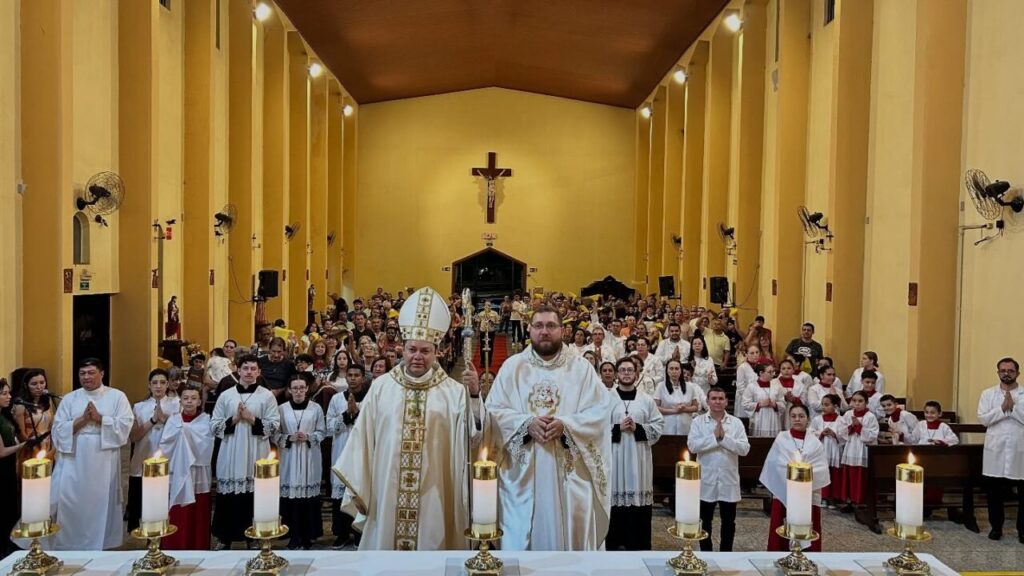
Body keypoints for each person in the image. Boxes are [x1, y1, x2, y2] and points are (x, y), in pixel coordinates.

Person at [333, 287, 483, 551]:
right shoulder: (381, 388)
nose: (417, 356)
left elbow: (473, 439)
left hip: (436, 490)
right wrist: (359, 485)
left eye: (425, 351)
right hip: (386, 489)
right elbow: (362, 439)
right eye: (412, 349)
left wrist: (473, 396)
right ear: (402, 349)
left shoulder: (453, 392)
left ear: (437, 352)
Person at [486, 305, 612, 551]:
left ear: (562, 330)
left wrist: (566, 426)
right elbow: (494, 411)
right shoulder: (513, 367)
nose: (545, 331)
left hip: (570, 474)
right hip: (520, 476)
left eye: (551, 326)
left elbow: (600, 412)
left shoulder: (581, 369)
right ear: (530, 330)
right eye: (539, 326)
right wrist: (525, 423)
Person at [50, 358, 134, 550]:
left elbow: (125, 425)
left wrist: (100, 419)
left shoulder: (117, 396)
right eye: (82, 373)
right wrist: (81, 420)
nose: (86, 377)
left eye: (91, 372)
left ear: (101, 374)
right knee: (70, 500)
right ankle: (69, 543)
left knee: (101, 503)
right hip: (74, 458)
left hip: (103, 458)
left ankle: (101, 543)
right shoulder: (70, 398)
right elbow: (57, 429)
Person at [210, 354, 281, 550]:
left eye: (253, 369)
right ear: (238, 371)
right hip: (231, 451)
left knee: (255, 494)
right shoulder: (226, 396)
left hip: (256, 450)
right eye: (245, 368)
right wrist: (233, 418)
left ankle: (255, 537)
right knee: (229, 495)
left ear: (259, 372)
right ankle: (225, 537)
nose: (249, 372)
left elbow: (274, 426)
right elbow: (214, 426)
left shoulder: (266, 396)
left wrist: (251, 419)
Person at [606, 357, 664, 550]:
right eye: (622, 370)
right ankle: (614, 544)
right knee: (615, 500)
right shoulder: (606, 399)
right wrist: (617, 428)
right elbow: (596, 429)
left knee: (638, 502)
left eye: (630, 370)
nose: (626, 373)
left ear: (637, 374)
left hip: (639, 460)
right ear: (616, 374)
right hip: (614, 458)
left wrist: (638, 428)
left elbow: (658, 424)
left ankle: (637, 545)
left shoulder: (646, 400)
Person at [688, 386, 750, 552]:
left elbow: (744, 449)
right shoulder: (698, 422)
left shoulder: (735, 423)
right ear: (707, 401)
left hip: (728, 479)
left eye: (721, 398)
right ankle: (706, 553)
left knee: (729, 522)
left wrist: (724, 439)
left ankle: (726, 554)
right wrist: (714, 438)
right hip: (706, 479)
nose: (717, 402)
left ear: (726, 401)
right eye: (713, 398)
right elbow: (693, 446)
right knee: (704, 521)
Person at [761, 404, 830, 552]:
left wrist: (801, 477)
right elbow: (774, 464)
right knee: (781, 524)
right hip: (784, 491)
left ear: (808, 419)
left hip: (808, 494)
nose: (797, 419)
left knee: (807, 524)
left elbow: (820, 467)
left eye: (801, 416)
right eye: (793, 416)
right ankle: (779, 554)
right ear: (789, 418)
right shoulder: (782, 438)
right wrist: (794, 477)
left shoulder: (815, 442)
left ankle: (808, 556)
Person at [159, 386, 214, 551]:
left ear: (199, 401)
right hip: (178, 470)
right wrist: (183, 433)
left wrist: (186, 432)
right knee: (178, 511)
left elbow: (207, 444)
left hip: (198, 472)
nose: (189, 401)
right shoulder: (173, 420)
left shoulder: (206, 420)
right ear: (180, 401)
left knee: (198, 512)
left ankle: (198, 547)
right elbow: (165, 443)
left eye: (193, 398)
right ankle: (175, 546)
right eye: (186, 398)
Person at [276, 373, 326, 550]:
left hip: (309, 456)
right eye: (295, 388)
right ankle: (293, 536)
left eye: (301, 388)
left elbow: (323, 431)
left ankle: (308, 535)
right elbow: (275, 434)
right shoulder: (281, 409)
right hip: (289, 457)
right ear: (289, 390)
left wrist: (309, 436)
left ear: (307, 389)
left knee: (308, 497)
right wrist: (289, 437)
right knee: (291, 497)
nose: (298, 391)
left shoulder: (316, 408)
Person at [976, 357, 1024, 542]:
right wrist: (1002, 409)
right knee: (994, 493)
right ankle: (996, 528)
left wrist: (1012, 409)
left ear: (1017, 373)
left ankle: (1022, 531)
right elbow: (984, 419)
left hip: (1020, 450)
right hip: (996, 450)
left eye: (1010, 371)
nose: (1006, 374)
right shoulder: (988, 394)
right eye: (1003, 370)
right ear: (998, 373)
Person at [127, 369, 181, 532]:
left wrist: (165, 420)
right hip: (143, 457)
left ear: (168, 385)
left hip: (168, 458)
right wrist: (153, 420)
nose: (159, 386)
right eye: (155, 383)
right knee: (142, 502)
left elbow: (181, 432)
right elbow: (134, 437)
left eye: (163, 383)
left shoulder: (177, 403)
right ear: (149, 386)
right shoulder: (139, 407)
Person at [325, 364, 368, 549]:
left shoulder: (369, 399)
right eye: (349, 375)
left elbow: (371, 424)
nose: (352, 378)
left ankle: (360, 535)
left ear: (363, 378)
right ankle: (341, 534)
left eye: (356, 375)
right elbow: (329, 426)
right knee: (339, 494)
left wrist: (356, 413)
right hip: (341, 448)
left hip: (361, 451)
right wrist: (346, 414)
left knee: (359, 493)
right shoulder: (336, 399)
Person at [1, 378, 32, 557]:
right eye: (4, 393)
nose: (9, 396)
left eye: (9, 392)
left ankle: (9, 542)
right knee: (4, 507)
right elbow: (2, 451)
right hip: (2, 467)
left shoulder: (4, 415)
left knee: (12, 506)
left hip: (9, 467)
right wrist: (24, 445)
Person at [838, 391, 879, 513]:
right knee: (849, 475)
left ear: (866, 403)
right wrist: (850, 428)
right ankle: (850, 501)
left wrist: (859, 427)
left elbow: (872, 435)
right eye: (854, 401)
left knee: (861, 476)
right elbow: (841, 431)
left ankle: (862, 502)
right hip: (850, 447)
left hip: (862, 449)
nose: (857, 404)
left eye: (860, 401)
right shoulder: (848, 414)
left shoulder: (870, 416)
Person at [13, 369, 57, 467]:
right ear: (26, 385)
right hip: (30, 447)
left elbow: (52, 426)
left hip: (47, 445)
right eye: (34, 384)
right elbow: (20, 433)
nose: (39, 387)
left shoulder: (47, 400)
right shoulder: (21, 404)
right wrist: (35, 448)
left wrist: (53, 449)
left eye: (42, 383)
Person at [810, 394, 844, 508]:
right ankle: (822, 497)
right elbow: (810, 432)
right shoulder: (817, 419)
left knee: (834, 474)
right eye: (823, 405)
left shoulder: (841, 420)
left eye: (827, 405)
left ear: (835, 406)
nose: (823, 407)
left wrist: (834, 434)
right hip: (822, 449)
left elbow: (845, 436)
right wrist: (820, 433)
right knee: (822, 472)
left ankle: (833, 498)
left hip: (834, 450)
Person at [655, 360, 705, 435]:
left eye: (676, 369)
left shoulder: (690, 386)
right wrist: (674, 411)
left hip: (685, 426)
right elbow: (655, 407)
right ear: (667, 371)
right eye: (671, 369)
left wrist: (685, 409)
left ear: (681, 371)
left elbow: (695, 407)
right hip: (667, 427)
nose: (674, 371)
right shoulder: (661, 386)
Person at [742, 364, 781, 438]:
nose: (773, 374)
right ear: (761, 373)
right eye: (770, 372)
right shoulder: (752, 386)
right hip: (759, 418)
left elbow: (782, 403)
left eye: (773, 372)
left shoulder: (777, 386)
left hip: (773, 418)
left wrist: (775, 404)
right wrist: (759, 404)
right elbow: (745, 404)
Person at [775, 359, 808, 430]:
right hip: (778, 413)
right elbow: (771, 398)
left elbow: (804, 401)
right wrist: (784, 398)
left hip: (793, 412)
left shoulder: (800, 385)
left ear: (793, 370)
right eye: (783, 368)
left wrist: (794, 399)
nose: (786, 371)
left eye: (789, 368)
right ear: (780, 371)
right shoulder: (773, 383)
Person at [733, 345, 760, 419]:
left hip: (756, 402)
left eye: (757, 352)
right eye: (752, 353)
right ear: (746, 354)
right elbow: (740, 387)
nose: (755, 355)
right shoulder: (742, 367)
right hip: (744, 402)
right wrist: (751, 398)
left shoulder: (760, 367)